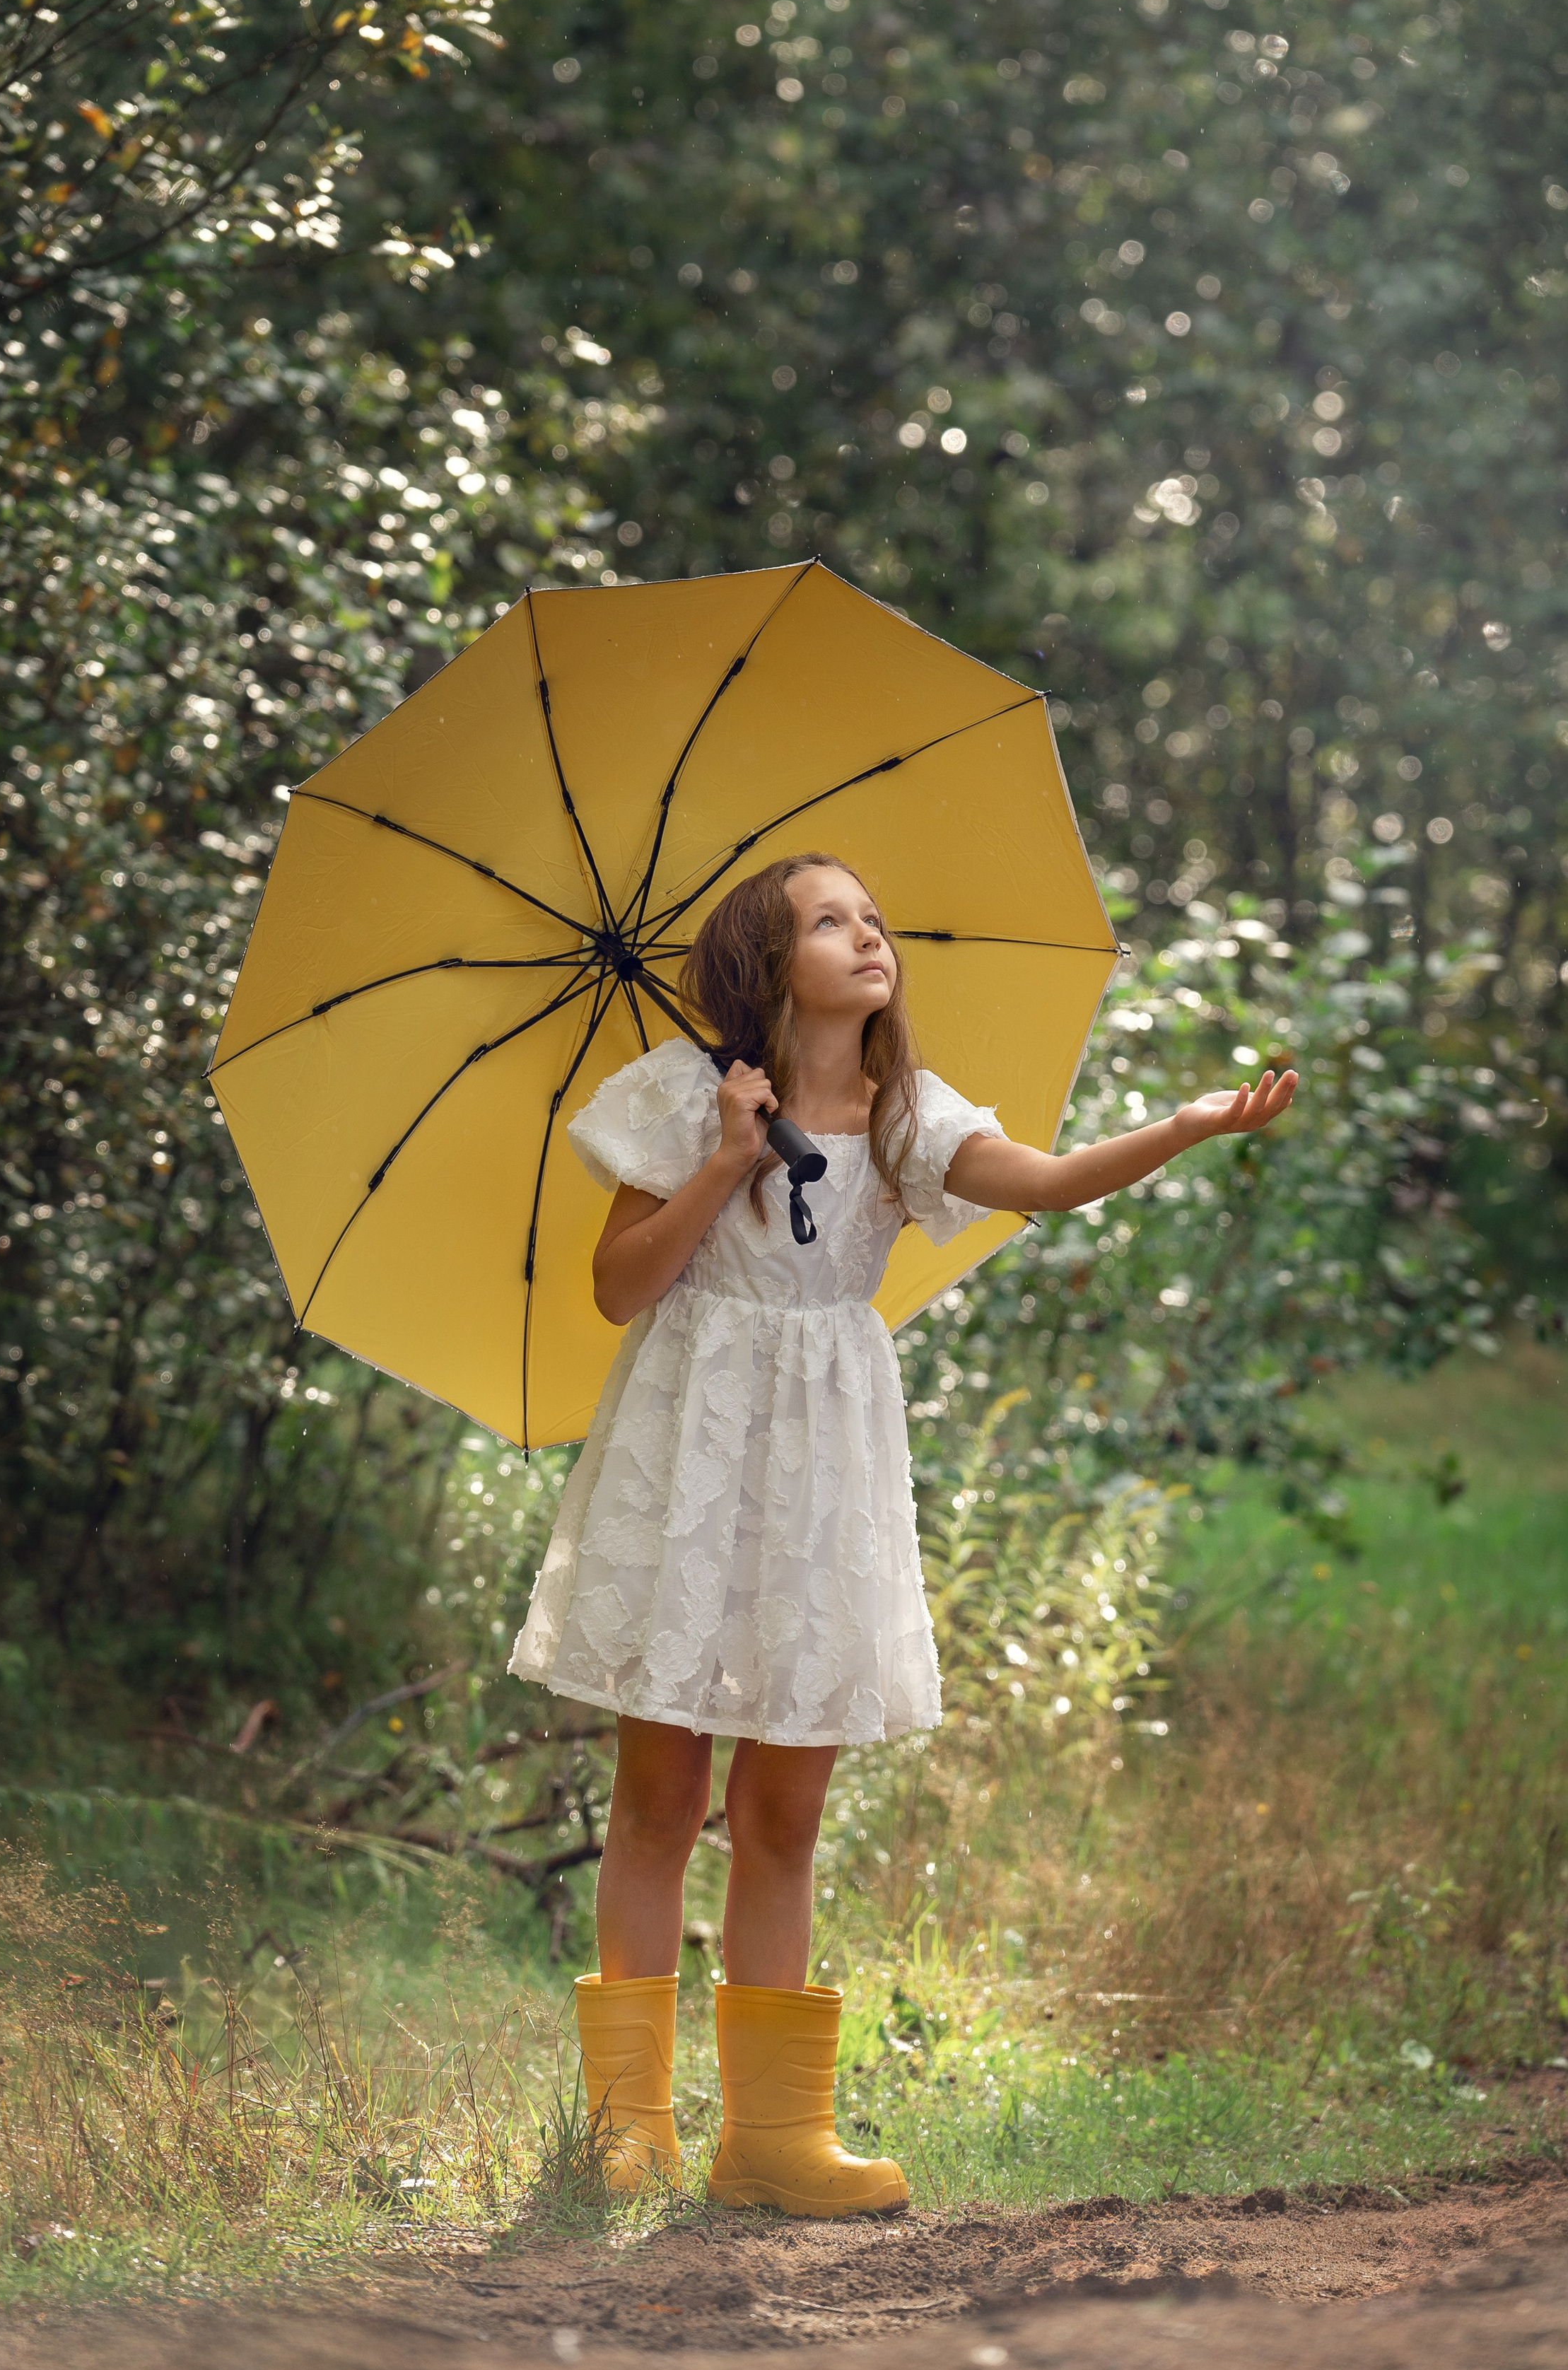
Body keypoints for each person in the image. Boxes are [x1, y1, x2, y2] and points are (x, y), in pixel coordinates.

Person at [509, 851, 1296, 2214]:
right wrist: (726, 1159)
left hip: (822, 1463)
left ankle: (770, 2140)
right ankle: (628, 2129)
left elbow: (1041, 1183)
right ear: (767, 962)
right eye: (831, 921)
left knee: (783, 1807)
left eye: (875, 915)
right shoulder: (682, 1099)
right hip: (690, 1454)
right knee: (661, 1796)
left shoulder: (904, 1115)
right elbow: (618, 1288)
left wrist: (1181, 1127)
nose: (870, 936)